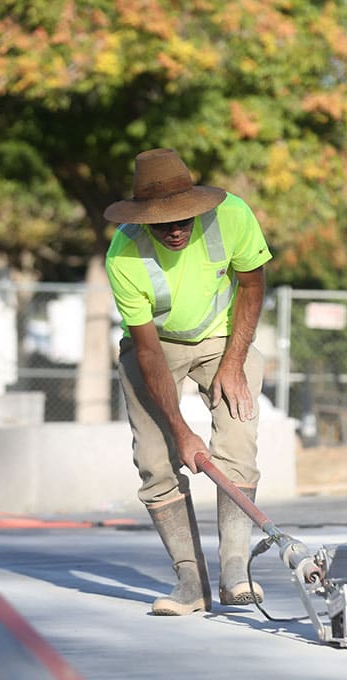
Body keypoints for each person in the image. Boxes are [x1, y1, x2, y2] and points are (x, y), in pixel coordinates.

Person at [103, 148, 272, 615]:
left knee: (237, 435)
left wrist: (234, 361)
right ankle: (190, 581)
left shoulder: (233, 215)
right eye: (162, 222)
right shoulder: (123, 255)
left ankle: (236, 571)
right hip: (158, 345)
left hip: (223, 336)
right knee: (156, 460)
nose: (175, 229)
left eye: (183, 218)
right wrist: (180, 430)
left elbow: (253, 284)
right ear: (142, 220)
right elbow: (149, 350)